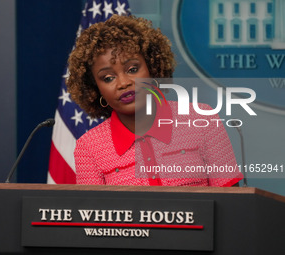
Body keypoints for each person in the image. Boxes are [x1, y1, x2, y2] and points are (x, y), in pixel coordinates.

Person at [66, 15, 243, 186]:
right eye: (108, 78)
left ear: (152, 67)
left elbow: (232, 208)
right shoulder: (88, 148)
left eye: (133, 69)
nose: (123, 83)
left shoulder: (203, 120)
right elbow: (91, 215)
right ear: (95, 88)